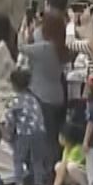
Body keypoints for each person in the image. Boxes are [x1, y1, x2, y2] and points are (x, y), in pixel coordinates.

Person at [19, 11, 72, 163]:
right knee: (55, 136)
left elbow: (21, 46)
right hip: (58, 94)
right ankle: (55, 167)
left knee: (45, 137)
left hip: (41, 95)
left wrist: (25, 28)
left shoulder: (43, 48)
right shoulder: (62, 48)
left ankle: (46, 173)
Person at [6, 67, 52, 185]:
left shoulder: (14, 100)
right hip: (39, 131)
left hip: (23, 132)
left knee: (18, 158)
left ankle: (19, 184)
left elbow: (10, 120)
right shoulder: (34, 98)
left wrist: (9, 135)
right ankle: (39, 184)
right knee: (37, 158)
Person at [49, 121, 88, 185]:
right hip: (77, 173)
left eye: (61, 136)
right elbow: (62, 167)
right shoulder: (67, 148)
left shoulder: (78, 149)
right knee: (58, 166)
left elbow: (64, 167)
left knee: (71, 167)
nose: (59, 138)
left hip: (86, 174)